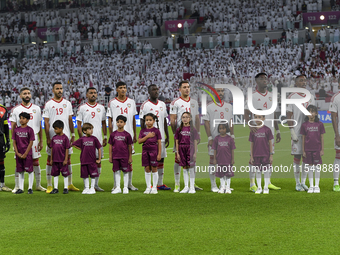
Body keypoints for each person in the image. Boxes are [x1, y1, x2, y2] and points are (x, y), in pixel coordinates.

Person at [244, 73, 281, 192]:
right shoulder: (252, 96)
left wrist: (278, 129)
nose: (264, 80)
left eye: (265, 78)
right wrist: (250, 126)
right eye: (261, 78)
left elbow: (274, 114)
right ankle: (252, 183)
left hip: (269, 132)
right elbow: (246, 112)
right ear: (256, 81)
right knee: (253, 157)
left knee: (270, 157)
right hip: (257, 132)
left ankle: (268, 182)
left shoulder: (271, 96)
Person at [43, 82, 79, 193]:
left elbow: (70, 120)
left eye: (61, 88)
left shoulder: (67, 103)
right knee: (50, 160)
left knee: (67, 160)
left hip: (66, 136)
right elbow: (46, 121)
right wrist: (48, 138)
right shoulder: (49, 104)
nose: (60, 90)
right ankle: (49, 185)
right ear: (53, 90)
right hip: (53, 137)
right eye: (57, 89)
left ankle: (69, 184)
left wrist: (73, 135)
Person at [10, 87, 46, 193]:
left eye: (29, 93)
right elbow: (13, 125)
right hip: (20, 139)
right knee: (19, 162)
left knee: (35, 161)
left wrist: (41, 140)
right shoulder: (16, 110)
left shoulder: (37, 108)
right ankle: (17, 186)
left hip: (33, 139)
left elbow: (39, 124)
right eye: (25, 93)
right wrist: (14, 141)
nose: (27, 95)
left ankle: (38, 184)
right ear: (20, 96)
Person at [170, 80, 201, 192]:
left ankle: (192, 183)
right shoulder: (175, 102)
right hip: (181, 135)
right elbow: (172, 119)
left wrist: (199, 133)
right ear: (180, 89)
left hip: (192, 135)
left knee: (192, 158)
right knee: (178, 159)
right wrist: (175, 135)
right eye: (184, 87)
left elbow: (197, 118)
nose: (187, 89)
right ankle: (178, 184)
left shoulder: (194, 102)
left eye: (188, 87)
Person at [107, 81, 138, 191]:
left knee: (129, 161)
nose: (123, 89)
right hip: (116, 137)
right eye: (120, 88)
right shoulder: (112, 102)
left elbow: (134, 119)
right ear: (117, 90)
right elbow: (109, 120)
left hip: (128, 136)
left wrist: (135, 134)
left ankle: (129, 184)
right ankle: (116, 185)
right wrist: (111, 135)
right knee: (116, 161)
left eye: (124, 87)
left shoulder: (131, 102)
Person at [287, 74, 315, 191]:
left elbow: (314, 114)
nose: (304, 83)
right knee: (297, 157)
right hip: (298, 132)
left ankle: (303, 182)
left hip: (309, 132)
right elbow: (289, 115)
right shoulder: (292, 97)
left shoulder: (311, 97)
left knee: (307, 158)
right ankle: (297, 183)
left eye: (305, 81)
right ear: (296, 83)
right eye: (301, 81)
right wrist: (292, 131)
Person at [140, 84, 170, 190]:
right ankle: (150, 184)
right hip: (150, 138)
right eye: (153, 90)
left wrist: (167, 135)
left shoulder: (162, 104)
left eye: (157, 89)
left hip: (160, 136)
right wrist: (144, 136)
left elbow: (165, 121)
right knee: (149, 161)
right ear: (149, 92)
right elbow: (142, 122)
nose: (156, 91)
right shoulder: (145, 105)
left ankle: (160, 183)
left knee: (161, 159)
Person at [203, 87, 233, 192]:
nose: (220, 93)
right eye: (218, 91)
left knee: (226, 162)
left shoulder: (229, 106)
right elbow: (206, 123)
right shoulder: (209, 106)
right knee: (213, 162)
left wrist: (232, 136)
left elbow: (231, 121)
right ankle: (213, 185)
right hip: (214, 139)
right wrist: (210, 137)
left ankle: (224, 184)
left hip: (227, 139)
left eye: (222, 91)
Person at [76, 87, 107, 192]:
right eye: (91, 93)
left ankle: (95, 185)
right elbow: (79, 123)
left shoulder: (101, 107)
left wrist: (105, 136)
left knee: (98, 162)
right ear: (87, 95)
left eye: (95, 92)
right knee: (86, 162)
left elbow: (103, 123)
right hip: (86, 141)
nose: (93, 94)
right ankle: (87, 186)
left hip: (98, 139)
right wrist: (81, 138)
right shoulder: (82, 108)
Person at [300, 105, 325, 193]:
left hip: (317, 149)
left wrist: (322, 149)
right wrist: (303, 151)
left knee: (317, 167)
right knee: (310, 167)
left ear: (316, 113)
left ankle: (317, 186)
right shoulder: (304, 125)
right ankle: (311, 186)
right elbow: (303, 138)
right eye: (309, 112)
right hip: (308, 149)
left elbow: (322, 137)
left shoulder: (320, 124)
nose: (311, 114)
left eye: (313, 112)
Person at [72, 123, 102, 195]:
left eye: (92, 129)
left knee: (93, 174)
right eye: (89, 129)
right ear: (84, 131)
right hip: (84, 159)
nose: (91, 130)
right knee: (84, 175)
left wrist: (99, 159)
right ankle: (86, 188)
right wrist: (82, 148)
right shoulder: (82, 139)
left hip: (92, 160)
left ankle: (92, 188)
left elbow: (99, 148)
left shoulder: (94, 138)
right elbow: (74, 144)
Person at [175, 112, 199, 194]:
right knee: (184, 167)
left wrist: (195, 152)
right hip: (182, 148)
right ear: (181, 119)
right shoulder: (179, 129)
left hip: (190, 148)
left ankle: (192, 187)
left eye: (187, 117)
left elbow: (195, 141)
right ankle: (186, 186)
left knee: (191, 167)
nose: (185, 119)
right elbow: (177, 141)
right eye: (183, 117)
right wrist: (177, 153)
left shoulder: (193, 129)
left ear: (190, 119)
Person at [249, 113, 274, 194]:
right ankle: (259, 188)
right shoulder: (253, 130)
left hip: (265, 154)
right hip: (256, 155)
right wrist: (252, 156)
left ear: (263, 118)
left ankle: (266, 187)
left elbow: (270, 143)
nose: (257, 118)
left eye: (259, 117)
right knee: (258, 172)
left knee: (266, 171)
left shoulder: (267, 130)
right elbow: (252, 144)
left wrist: (271, 155)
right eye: (255, 117)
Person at [138, 113, 162, 194]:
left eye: (150, 120)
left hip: (154, 152)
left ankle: (154, 187)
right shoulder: (143, 131)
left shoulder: (156, 131)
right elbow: (139, 141)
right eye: (146, 120)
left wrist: (159, 154)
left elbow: (159, 143)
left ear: (154, 121)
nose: (148, 122)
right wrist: (147, 136)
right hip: (145, 152)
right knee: (147, 169)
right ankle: (148, 187)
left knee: (154, 168)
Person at [12, 112, 35, 194]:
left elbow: (31, 142)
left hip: (27, 153)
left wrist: (25, 153)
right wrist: (17, 152)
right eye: (20, 118)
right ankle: (21, 188)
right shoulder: (16, 130)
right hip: (19, 153)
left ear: (28, 120)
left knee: (29, 171)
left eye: (23, 118)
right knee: (20, 171)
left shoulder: (30, 130)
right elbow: (14, 142)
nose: (21, 120)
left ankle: (30, 188)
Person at [109, 115, 133, 195]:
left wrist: (130, 157)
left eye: (121, 122)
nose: (119, 123)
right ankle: (118, 187)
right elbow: (110, 145)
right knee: (117, 171)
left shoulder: (127, 135)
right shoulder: (113, 134)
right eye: (118, 122)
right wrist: (110, 156)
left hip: (124, 156)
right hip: (115, 156)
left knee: (125, 172)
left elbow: (130, 146)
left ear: (125, 123)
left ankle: (125, 187)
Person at [212, 123, 236, 194]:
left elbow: (232, 149)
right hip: (219, 160)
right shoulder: (217, 138)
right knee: (221, 174)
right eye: (220, 128)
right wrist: (215, 159)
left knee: (228, 174)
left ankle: (228, 187)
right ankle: (222, 187)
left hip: (228, 160)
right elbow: (215, 149)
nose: (222, 130)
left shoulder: (230, 138)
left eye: (223, 128)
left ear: (226, 129)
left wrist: (232, 159)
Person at [49, 120, 71, 194]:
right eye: (54, 129)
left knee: (65, 174)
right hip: (55, 160)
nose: (55, 130)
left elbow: (67, 149)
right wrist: (51, 159)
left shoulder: (65, 138)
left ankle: (65, 188)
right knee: (55, 174)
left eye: (56, 129)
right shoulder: (54, 138)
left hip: (62, 160)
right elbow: (52, 149)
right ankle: (55, 188)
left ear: (61, 128)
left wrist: (66, 159)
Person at [330, 80, 340, 191]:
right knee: (338, 158)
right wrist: (337, 135)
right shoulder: (336, 98)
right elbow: (333, 117)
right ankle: (336, 183)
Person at [0, 101, 11, 192]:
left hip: (0, 139)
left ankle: (2, 184)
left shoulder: (3, 109)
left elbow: (6, 125)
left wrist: (7, 140)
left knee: (1, 161)